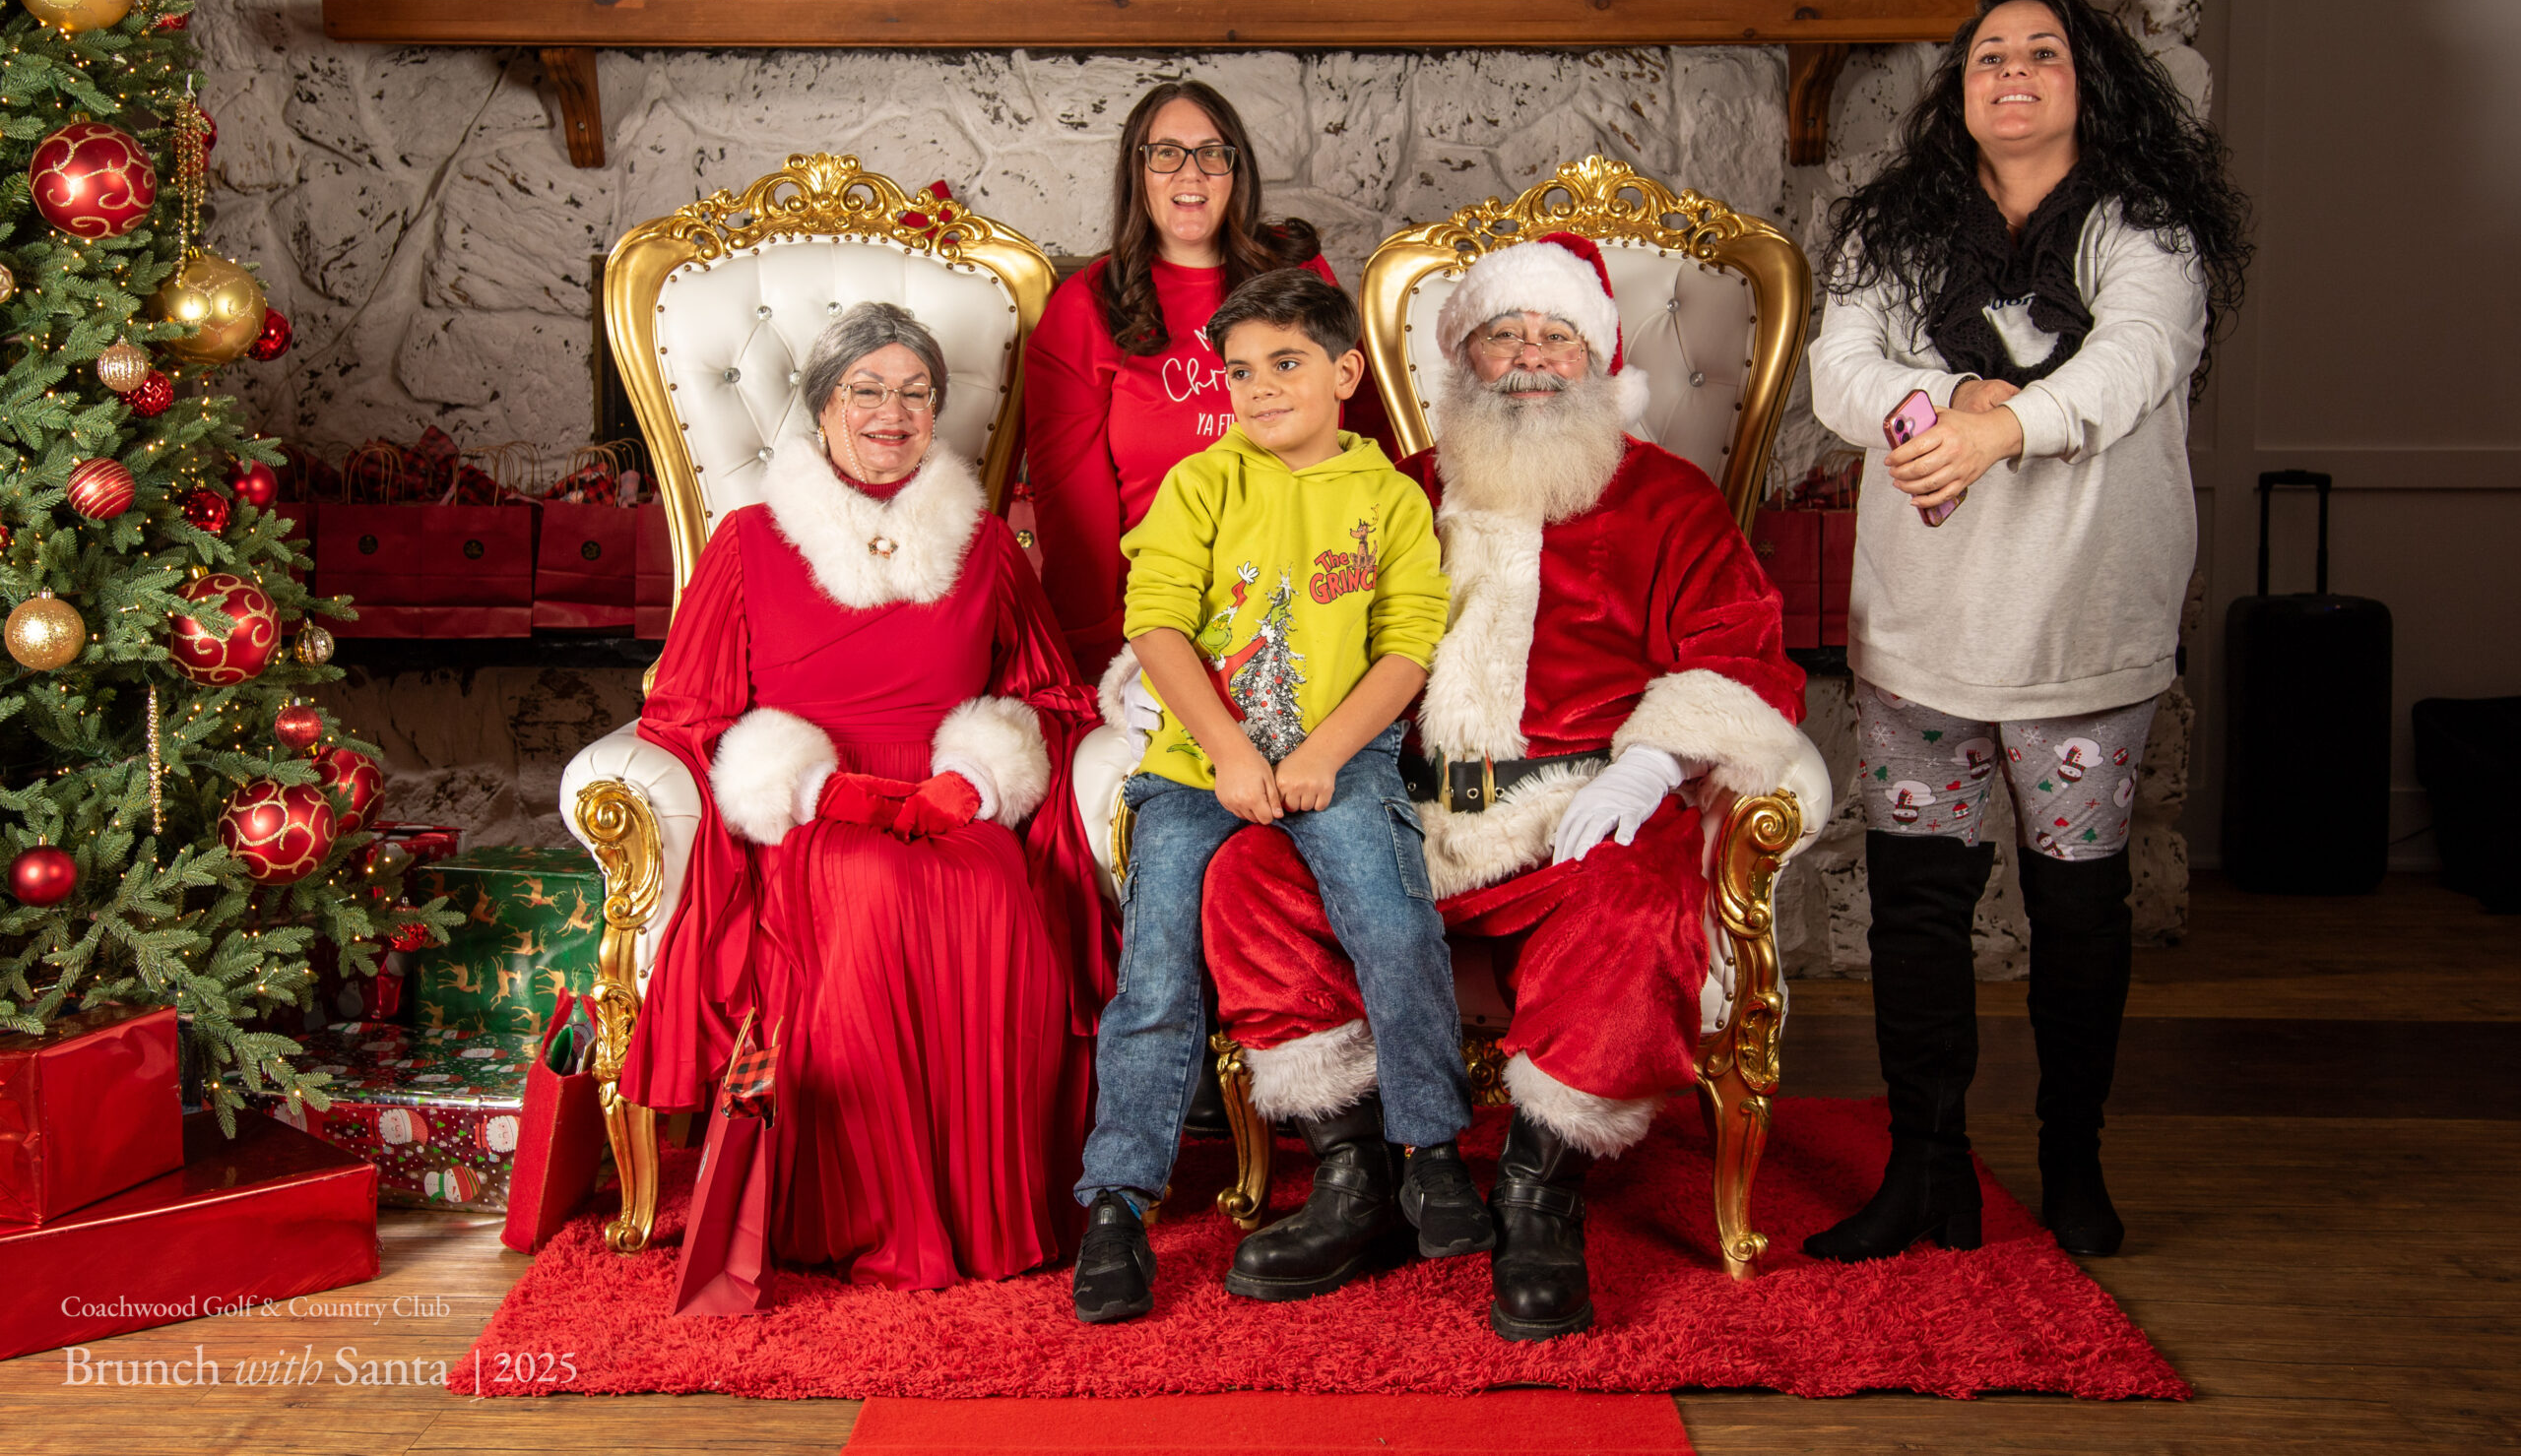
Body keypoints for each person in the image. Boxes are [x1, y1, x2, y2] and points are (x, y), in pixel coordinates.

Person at [1201, 234, 1809, 1341]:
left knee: (1640, 901)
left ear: (1599, 358)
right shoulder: (1386, 490)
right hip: (1397, 811)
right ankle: (1354, 1179)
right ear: (1461, 358)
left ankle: (1539, 1193)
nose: (1530, 357)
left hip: (1574, 813)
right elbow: (1273, 613)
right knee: (1249, 875)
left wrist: (1651, 763)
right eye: (1502, 334)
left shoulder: (1668, 497)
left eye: (1555, 335)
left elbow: (1740, 651)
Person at [1801, 0, 2249, 1263]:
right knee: (1918, 906)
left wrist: (2004, 430)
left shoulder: (2146, 230)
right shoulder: (1894, 229)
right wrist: (1944, 406)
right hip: (1923, 624)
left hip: (2083, 627)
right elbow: (1842, 366)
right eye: (1989, 53)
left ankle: (2072, 1159)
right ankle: (1925, 1168)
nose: (2011, 70)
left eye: (2041, 52)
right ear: (1961, 89)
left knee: (2077, 906)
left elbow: (2133, 360)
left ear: (2085, 82)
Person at [614, 302, 1111, 1292]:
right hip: (811, 810)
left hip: (950, 797)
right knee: (873, 894)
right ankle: (868, 1213)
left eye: (916, 392)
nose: (894, 411)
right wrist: (804, 782)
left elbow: (1050, 695)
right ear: (821, 406)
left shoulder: (983, 544)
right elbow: (685, 709)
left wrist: (978, 776)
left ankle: (988, 1215)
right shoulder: (748, 541)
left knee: (997, 896)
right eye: (867, 389)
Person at [1069, 269, 1478, 1325]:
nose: (1258, 388)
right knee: (1155, 971)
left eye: (1285, 364)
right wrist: (1228, 753)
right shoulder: (1202, 484)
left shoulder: (1388, 499)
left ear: (1345, 373)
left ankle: (1431, 1151)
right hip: (1200, 767)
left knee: (1393, 923)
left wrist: (1328, 754)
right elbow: (1155, 620)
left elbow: (1408, 645)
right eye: (1240, 371)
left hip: (1343, 761)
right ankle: (1118, 1201)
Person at [1023, 79, 1396, 684]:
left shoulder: (1296, 272)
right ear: (1137, 171)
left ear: (1235, 170)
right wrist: (1097, 652)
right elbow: (1072, 508)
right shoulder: (1087, 303)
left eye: (1212, 153)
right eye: (1166, 153)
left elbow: (1364, 435)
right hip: (1163, 607)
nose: (1189, 172)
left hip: (1306, 588)